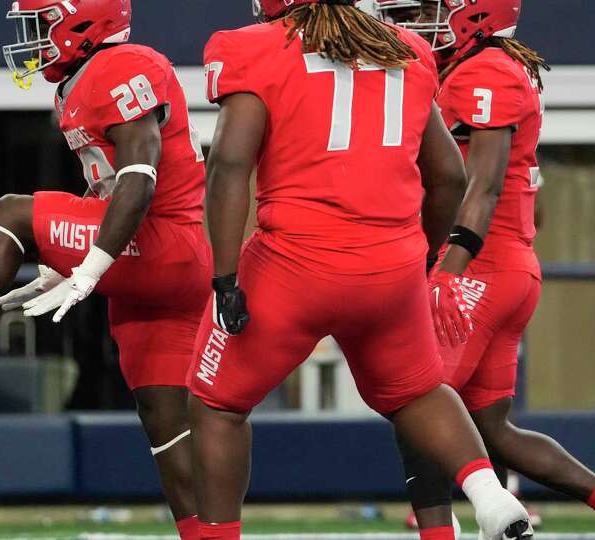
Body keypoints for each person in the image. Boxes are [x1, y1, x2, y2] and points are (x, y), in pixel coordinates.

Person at [0, 1, 209, 537]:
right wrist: (57, 264)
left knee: (10, 213)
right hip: (164, 260)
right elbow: (109, 188)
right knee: (165, 419)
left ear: (83, 21)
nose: (34, 38)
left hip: (167, 244)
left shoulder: (123, 65)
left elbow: (140, 174)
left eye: (42, 23)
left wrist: (91, 267)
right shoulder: (82, 80)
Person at [190, 1, 535, 538]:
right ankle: (490, 495)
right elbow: (448, 177)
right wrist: (421, 262)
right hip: (391, 262)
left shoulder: (251, 47)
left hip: (294, 262)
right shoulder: (409, 49)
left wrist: (225, 276)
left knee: (216, 403)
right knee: (417, 392)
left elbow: (229, 164)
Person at [371, 2, 595, 539]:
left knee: (416, 403)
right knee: (491, 428)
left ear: (474, 14)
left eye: (427, 10)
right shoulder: (488, 67)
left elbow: (481, 185)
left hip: (480, 263)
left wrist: (448, 273)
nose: (414, 22)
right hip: (506, 266)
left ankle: (441, 532)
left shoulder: (482, 71)